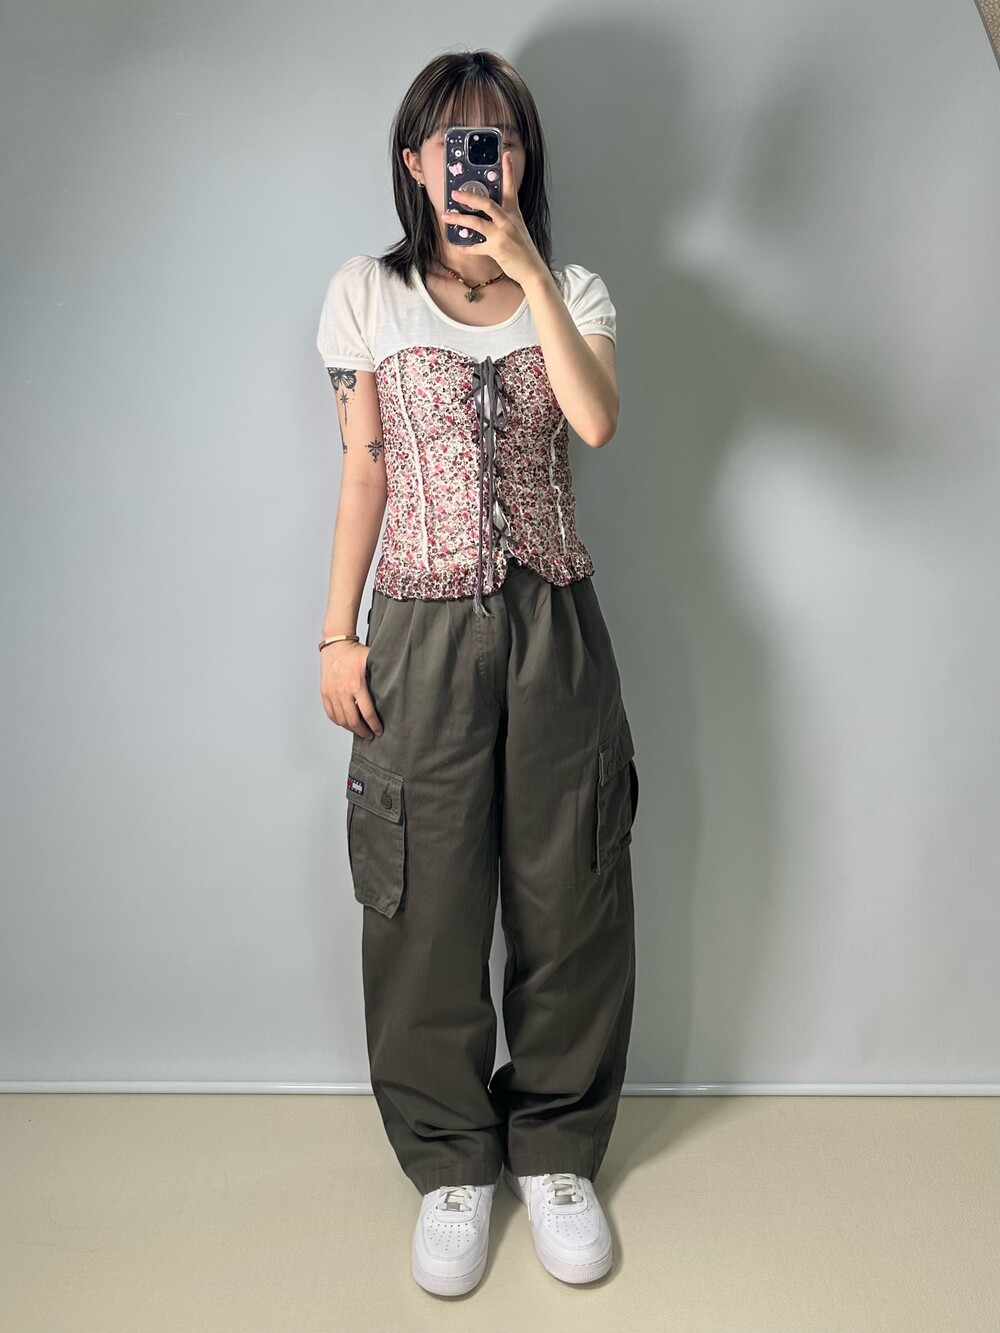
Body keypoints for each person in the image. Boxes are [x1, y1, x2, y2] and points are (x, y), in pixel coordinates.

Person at [316, 49, 638, 1296]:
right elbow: (365, 471)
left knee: (571, 889)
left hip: (555, 618)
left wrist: (528, 271)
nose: (478, 157)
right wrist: (336, 634)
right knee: (423, 898)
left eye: (497, 137)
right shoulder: (367, 295)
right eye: (455, 138)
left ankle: (554, 1148)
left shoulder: (578, 289)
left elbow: (594, 420)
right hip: (417, 623)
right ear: (413, 161)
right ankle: (451, 1160)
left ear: (522, 156)